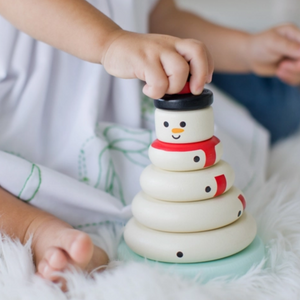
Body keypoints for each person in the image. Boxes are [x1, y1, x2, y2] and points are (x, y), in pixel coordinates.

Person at [0, 0, 299, 284]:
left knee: (285, 96)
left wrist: (246, 49)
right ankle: (34, 228)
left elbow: (159, 17)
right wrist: (110, 42)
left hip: (125, 95)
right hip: (29, 103)